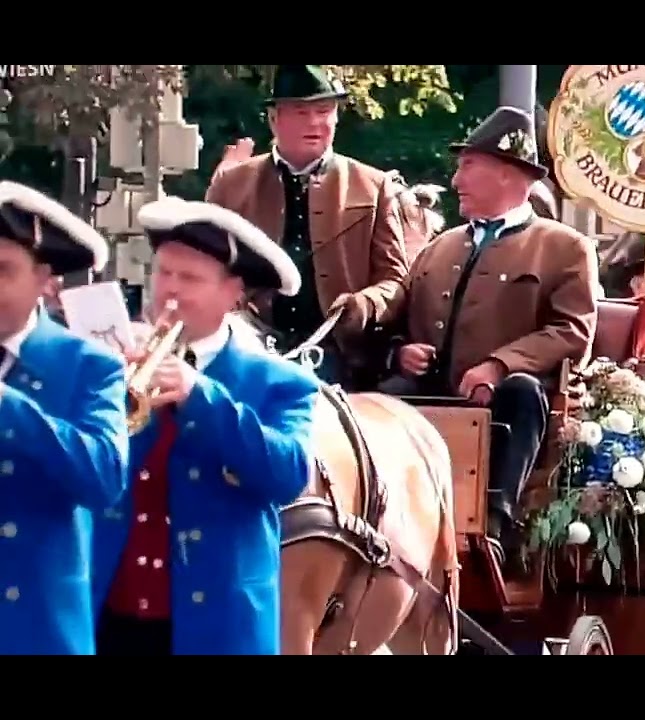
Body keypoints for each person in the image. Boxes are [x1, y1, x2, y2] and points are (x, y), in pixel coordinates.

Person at [91, 197, 322, 655]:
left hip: (215, 627)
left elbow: (290, 475)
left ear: (234, 293)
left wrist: (201, 396)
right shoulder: (111, 364)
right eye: (163, 273)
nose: (168, 291)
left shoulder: (279, 382)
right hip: (107, 617)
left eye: (190, 278)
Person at [378, 106, 598, 560]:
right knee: (382, 397)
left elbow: (573, 331)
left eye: (468, 166)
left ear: (508, 175)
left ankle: (494, 525)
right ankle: (378, 514)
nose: (456, 180)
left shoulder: (564, 248)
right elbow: (397, 320)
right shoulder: (440, 247)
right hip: (433, 394)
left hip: (504, 402)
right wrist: (401, 353)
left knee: (521, 392)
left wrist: (499, 366)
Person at [205, 64, 411, 388]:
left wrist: (363, 305)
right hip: (247, 346)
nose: (315, 122)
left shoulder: (374, 187)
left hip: (340, 355)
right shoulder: (230, 187)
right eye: (301, 112)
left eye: (324, 111)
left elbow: (396, 280)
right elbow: (204, 268)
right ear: (274, 118)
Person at [0, 181, 130, 655]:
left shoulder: (88, 365)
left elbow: (104, 475)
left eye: (2, 272)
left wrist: (9, 407)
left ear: (44, 281)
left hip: (37, 630)